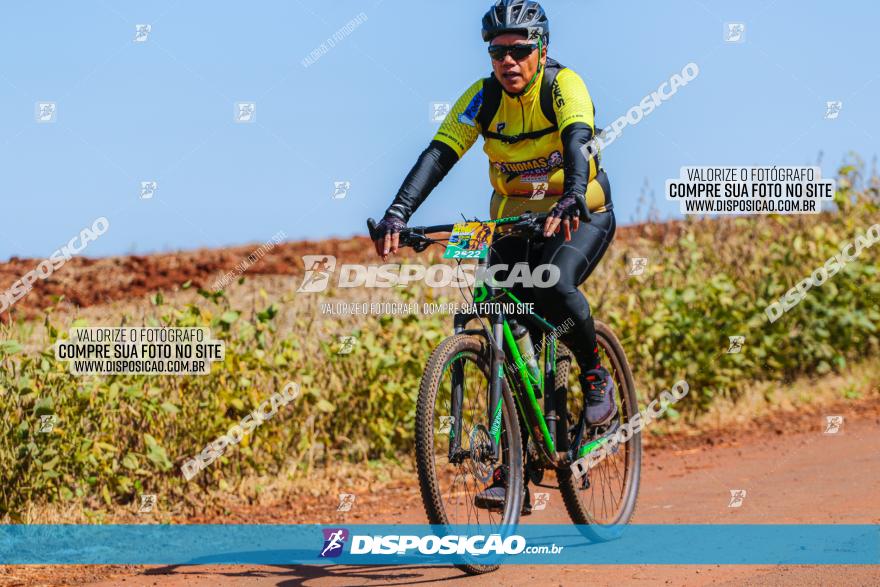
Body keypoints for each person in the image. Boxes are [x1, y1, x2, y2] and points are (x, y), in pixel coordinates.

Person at [371, 0, 617, 511]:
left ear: (541, 49)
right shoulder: (482, 98)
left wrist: (572, 194)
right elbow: (439, 153)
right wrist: (399, 212)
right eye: (497, 51)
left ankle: (594, 372)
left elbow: (578, 142)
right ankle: (513, 467)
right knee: (495, 307)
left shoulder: (563, 86)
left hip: (580, 210)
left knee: (551, 284)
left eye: (520, 50)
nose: (508, 60)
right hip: (512, 217)